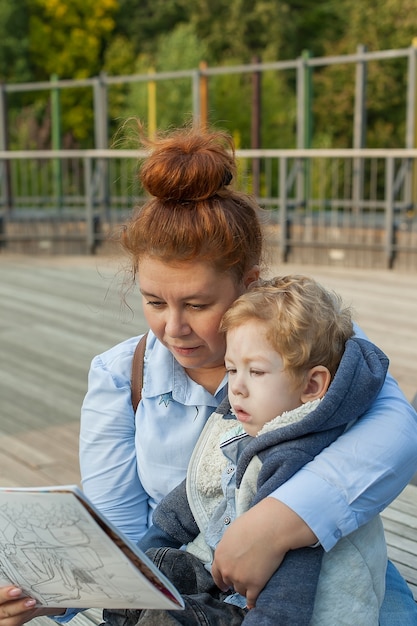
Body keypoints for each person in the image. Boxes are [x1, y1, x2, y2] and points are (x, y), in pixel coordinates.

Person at [1, 125, 416, 626]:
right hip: (197, 591)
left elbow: (396, 434)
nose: (173, 329)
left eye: (198, 304)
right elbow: (129, 538)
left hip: (335, 583)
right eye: (154, 302)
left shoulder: (307, 337)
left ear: (248, 284)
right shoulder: (119, 376)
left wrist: (274, 523)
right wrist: (54, 590)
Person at [122, 275, 389, 625]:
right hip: (230, 585)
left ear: (312, 384)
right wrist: (138, 563)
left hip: (286, 609)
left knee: (167, 618)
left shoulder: (299, 457)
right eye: (232, 370)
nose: (238, 388)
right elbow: (187, 501)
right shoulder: (246, 421)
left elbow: (293, 585)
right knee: (150, 572)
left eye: (257, 372)